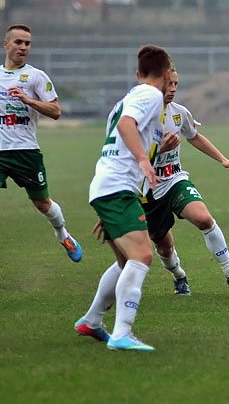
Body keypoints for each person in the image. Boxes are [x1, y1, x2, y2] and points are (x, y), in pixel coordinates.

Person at [0, 23, 82, 284]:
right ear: (6, 44)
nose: (23, 47)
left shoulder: (36, 77)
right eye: (18, 42)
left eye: (27, 43)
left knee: (43, 204)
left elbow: (55, 111)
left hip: (26, 154)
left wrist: (29, 101)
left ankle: (63, 235)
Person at [74, 44, 172, 352]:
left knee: (124, 260)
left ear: (137, 73)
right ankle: (121, 334)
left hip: (112, 187)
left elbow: (119, 144)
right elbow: (125, 126)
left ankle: (91, 321)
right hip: (115, 187)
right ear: (167, 75)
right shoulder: (150, 96)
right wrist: (144, 158)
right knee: (142, 256)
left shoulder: (128, 98)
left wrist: (156, 153)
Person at [144, 67, 229, 295]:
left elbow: (194, 136)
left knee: (204, 219)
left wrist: (222, 159)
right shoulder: (140, 116)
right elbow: (131, 156)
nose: (173, 89)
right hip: (148, 189)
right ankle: (179, 276)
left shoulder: (179, 113)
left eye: (176, 84)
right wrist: (160, 148)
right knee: (164, 247)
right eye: (169, 84)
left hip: (175, 180)